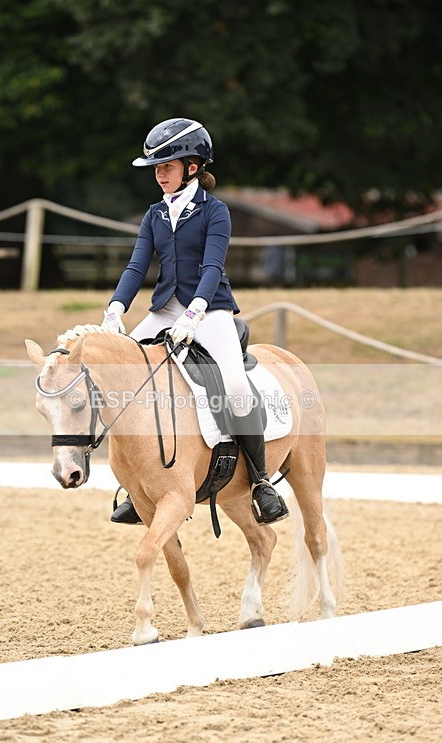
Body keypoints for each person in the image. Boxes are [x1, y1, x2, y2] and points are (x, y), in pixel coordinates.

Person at [101, 118, 288, 526]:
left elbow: (212, 267)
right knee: (121, 370)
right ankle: (135, 484)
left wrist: (195, 313)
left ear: (192, 166)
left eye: (166, 166)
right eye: (156, 167)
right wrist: (116, 309)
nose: (159, 173)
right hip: (165, 308)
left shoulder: (215, 212)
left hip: (211, 308)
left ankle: (260, 480)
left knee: (236, 383)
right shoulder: (154, 214)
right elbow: (136, 267)